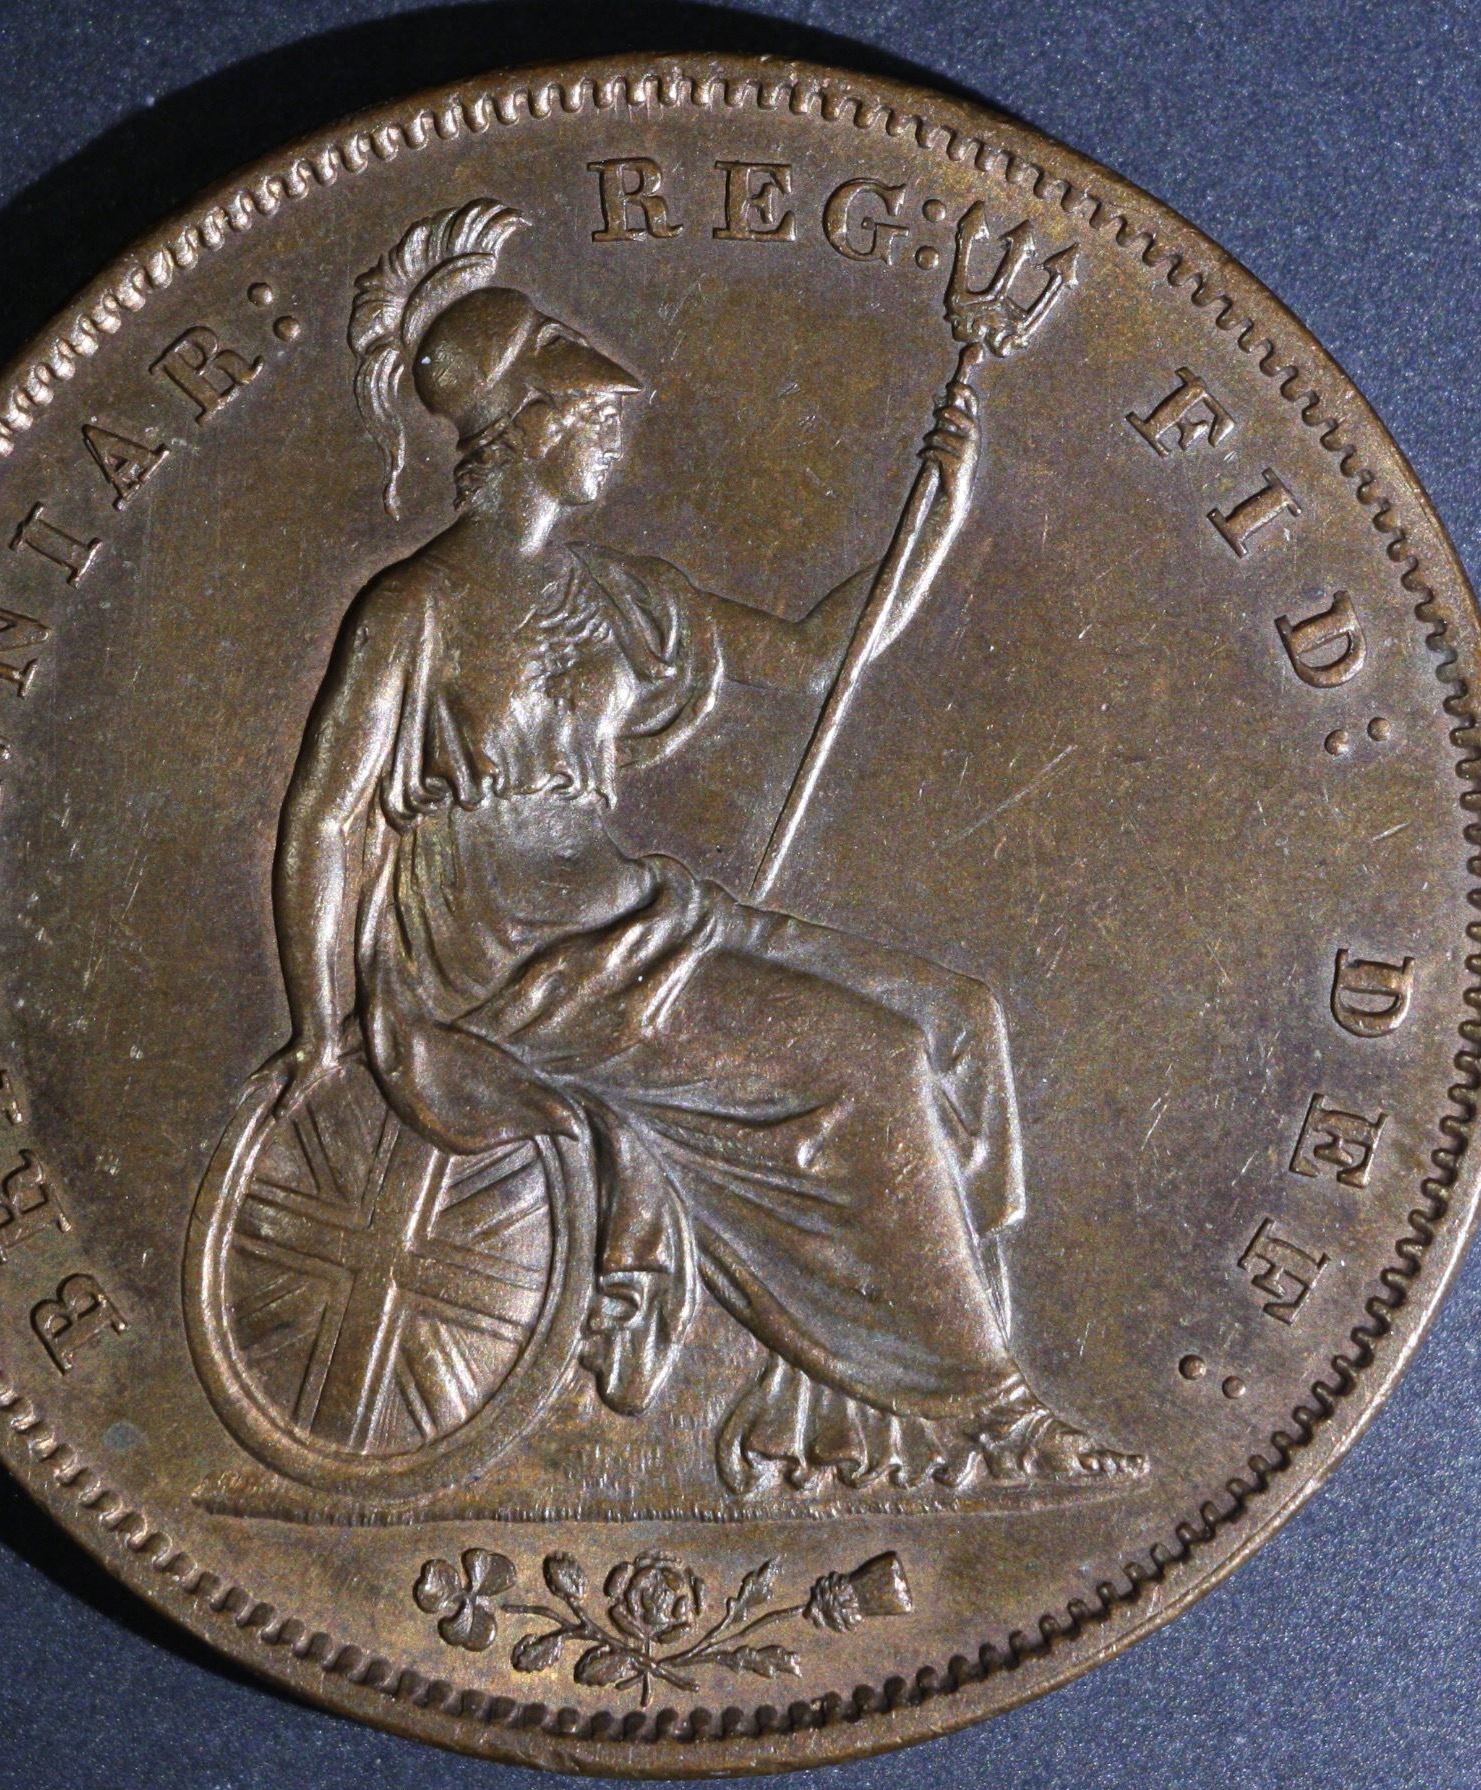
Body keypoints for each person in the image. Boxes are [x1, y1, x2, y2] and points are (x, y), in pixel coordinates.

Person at [265, 198, 1141, 1495]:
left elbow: (814, 659)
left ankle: (857, 1409)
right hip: (507, 949)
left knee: (954, 1021)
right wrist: (320, 1023)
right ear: (529, 429)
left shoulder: (620, 597)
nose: (618, 443)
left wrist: (936, 512)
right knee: (871, 1060)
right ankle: (990, 1413)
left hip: (623, 911)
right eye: (598, 422)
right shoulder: (416, 608)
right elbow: (329, 816)